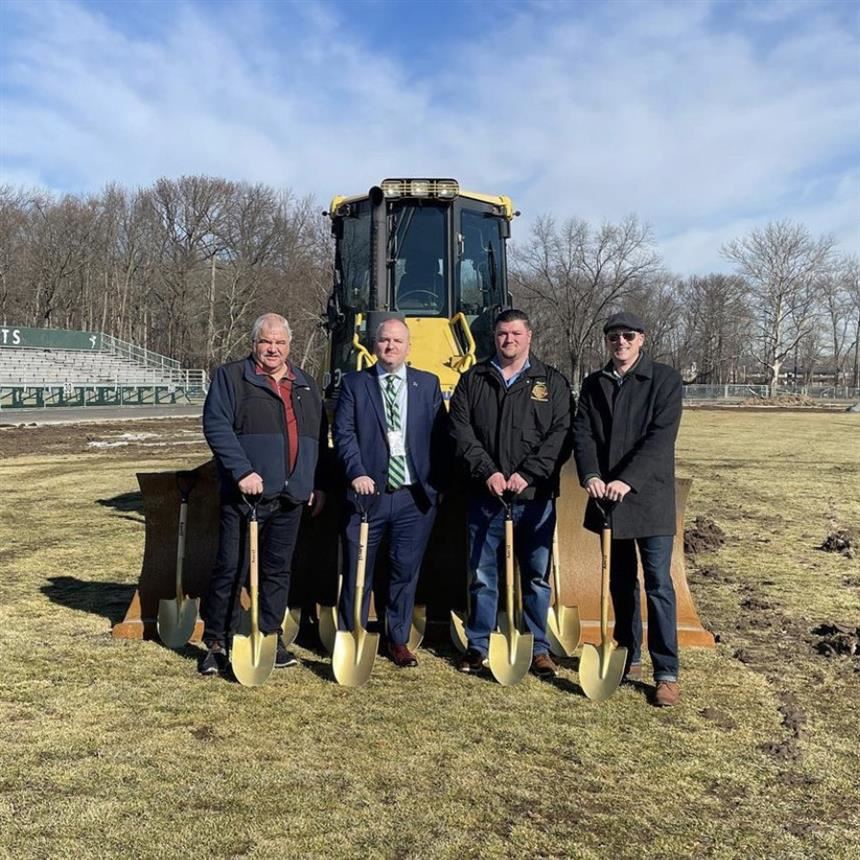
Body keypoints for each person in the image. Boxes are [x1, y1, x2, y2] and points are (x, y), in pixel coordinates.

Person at [198, 313, 328, 676]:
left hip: (292, 495)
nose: (272, 349)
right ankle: (216, 641)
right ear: (254, 344)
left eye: (280, 343)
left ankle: (270, 633)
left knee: (277, 570)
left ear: (289, 346)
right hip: (247, 495)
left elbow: (318, 438)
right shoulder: (232, 377)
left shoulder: (304, 383)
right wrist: (242, 471)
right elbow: (217, 426)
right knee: (231, 568)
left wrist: (315, 482)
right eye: (265, 342)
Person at [449, 309, 572, 678]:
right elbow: (461, 431)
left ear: (529, 336)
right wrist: (488, 472)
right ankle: (479, 644)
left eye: (516, 334)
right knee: (482, 575)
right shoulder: (473, 380)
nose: (509, 340)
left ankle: (538, 648)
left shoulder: (551, 382)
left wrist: (527, 474)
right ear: (495, 337)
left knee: (535, 576)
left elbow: (561, 434)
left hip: (534, 499)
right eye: (502, 334)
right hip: (486, 497)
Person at [572, 311, 683, 707]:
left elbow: (660, 438)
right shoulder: (594, 383)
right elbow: (582, 432)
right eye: (613, 336)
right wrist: (590, 475)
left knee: (658, 586)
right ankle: (628, 654)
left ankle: (666, 672)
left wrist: (627, 479)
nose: (620, 342)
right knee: (620, 583)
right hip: (607, 500)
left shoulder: (664, 380)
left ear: (642, 339)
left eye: (628, 336)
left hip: (648, 498)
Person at [333, 317, 447, 667]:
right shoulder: (355, 384)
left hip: (414, 498)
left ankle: (396, 639)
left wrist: (436, 485)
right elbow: (345, 433)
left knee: (404, 569)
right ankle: (350, 634)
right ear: (374, 345)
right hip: (368, 495)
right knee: (358, 569)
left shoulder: (427, 385)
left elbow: (440, 438)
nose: (391, 347)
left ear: (408, 347)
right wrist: (357, 472)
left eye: (398, 341)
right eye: (384, 340)